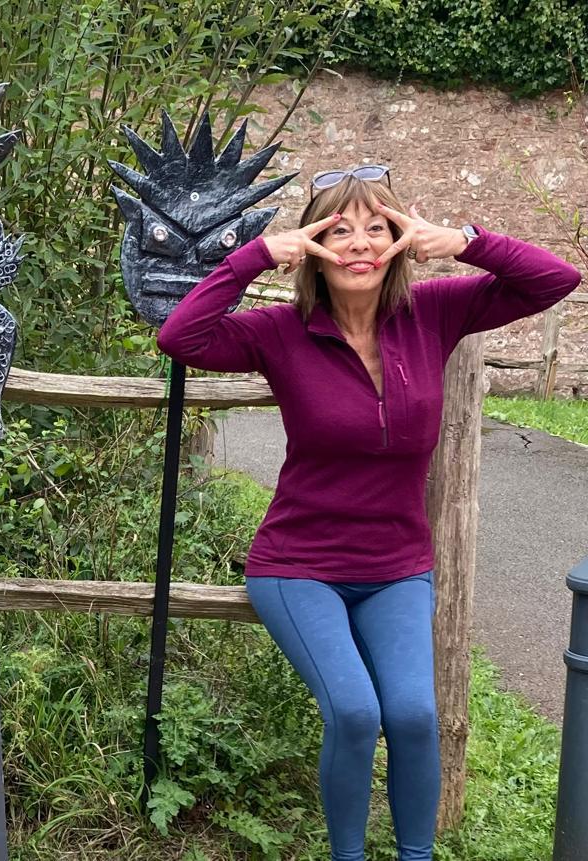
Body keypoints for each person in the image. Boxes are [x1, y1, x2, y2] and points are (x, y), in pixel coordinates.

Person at [155, 165, 582, 861]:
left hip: (396, 567)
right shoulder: (281, 330)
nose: (360, 243)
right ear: (313, 247)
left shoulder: (434, 313)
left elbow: (555, 279)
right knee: (355, 713)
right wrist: (257, 254)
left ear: (399, 240)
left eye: (377, 228)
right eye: (339, 230)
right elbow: (181, 337)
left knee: (413, 716)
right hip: (298, 566)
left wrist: (462, 240)